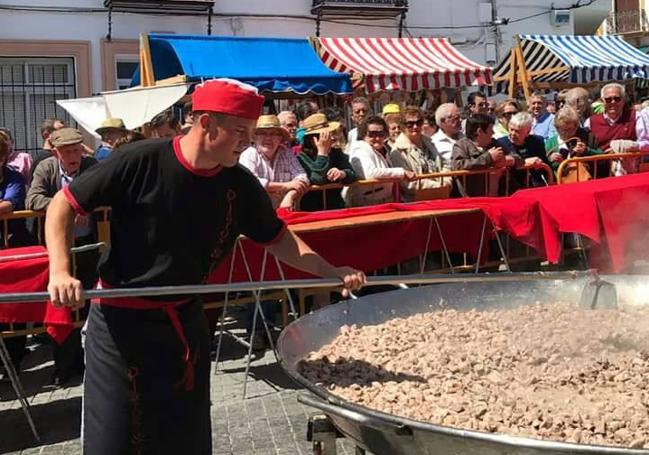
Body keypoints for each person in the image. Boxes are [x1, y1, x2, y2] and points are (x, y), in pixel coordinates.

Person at [44, 78, 366, 454]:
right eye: (239, 131)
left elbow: (278, 238)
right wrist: (61, 270)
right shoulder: (140, 159)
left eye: (250, 132)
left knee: (186, 438)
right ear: (206, 123)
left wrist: (332, 269)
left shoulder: (238, 183)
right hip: (119, 325)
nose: (246, 140)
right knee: (114, 441)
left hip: (185, 321)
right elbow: (62, 205)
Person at [26, 128, 99, 386]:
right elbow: (33, 199)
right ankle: (65, 368)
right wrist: (66, 206)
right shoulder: (46, 168)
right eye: (67, 151)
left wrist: (86, 204)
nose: (74, 156)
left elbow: (104, 191)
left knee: (90, 305)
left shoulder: (91, 165)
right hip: (58, 251)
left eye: (77, 150)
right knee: (62, 308)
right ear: (56, 152)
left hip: (89, 246)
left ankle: (91, 364)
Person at [239, 114, 310, 209]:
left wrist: (290, 195)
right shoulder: (249, 154)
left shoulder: (287, 153)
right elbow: (251, 182)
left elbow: (303, 177)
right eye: (263, 133)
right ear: (255, 137)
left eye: (273, 133)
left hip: (285, 212)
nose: (268, 138)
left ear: (280, 138)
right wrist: (285, 186)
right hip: (255, 215)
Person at [349, 116, 415, 206]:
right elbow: (370, 173)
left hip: (386, 200)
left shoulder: (383, 148)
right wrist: (401, 172)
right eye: (372, 134)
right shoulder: (360, 148)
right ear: (363, 134)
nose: (377, 138)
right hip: (368, 203)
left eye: (381, 134)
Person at [389, 106, 451, 202]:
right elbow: (407, 184)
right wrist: (437, 186)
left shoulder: (430, 142)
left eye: (419, 123)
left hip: (441, 196)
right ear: (402, 126)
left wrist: (447, 182)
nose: (415, 127)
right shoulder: (397, 151)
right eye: (410, 124)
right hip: (416, 202)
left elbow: (445, 165)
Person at [297, 113, 357, 211]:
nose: (332, 138)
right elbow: (318, 179)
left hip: (336, 207)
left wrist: (343, 173)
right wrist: (322, 153)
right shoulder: (302, 158)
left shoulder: (336, 153)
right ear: (313, 140)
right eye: (326, 136)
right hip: (312, 210)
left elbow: (353, 174)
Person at [451, 113, 521, 196]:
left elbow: (518, 158)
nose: (493, 133)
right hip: (474, 199)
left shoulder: (495, 143)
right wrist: (488, 157)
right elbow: (458, 166)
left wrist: (509, 160)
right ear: (480, 131)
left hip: (500, 197)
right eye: (491, 129)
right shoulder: (461, 146)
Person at [496, 112, 550, 188]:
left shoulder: (537, 142)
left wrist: (553, 183)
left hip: (535, 185)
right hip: (511, 187)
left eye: (517, 131)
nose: (513, 133)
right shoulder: (501, 143)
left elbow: (546, 165)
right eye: (511, 129)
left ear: (527, 132)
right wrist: (526, 162)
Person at [545, 106, 604, 176]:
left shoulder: (588, 137)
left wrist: (586, 151)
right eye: (563, 130)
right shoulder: (550, 143)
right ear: (557, 128)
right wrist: (550, 160)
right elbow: (543, 165)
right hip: (561, 183)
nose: (566, 133)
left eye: (570, 129)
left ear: (576, 127)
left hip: (585, 180)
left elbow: (603, 157)